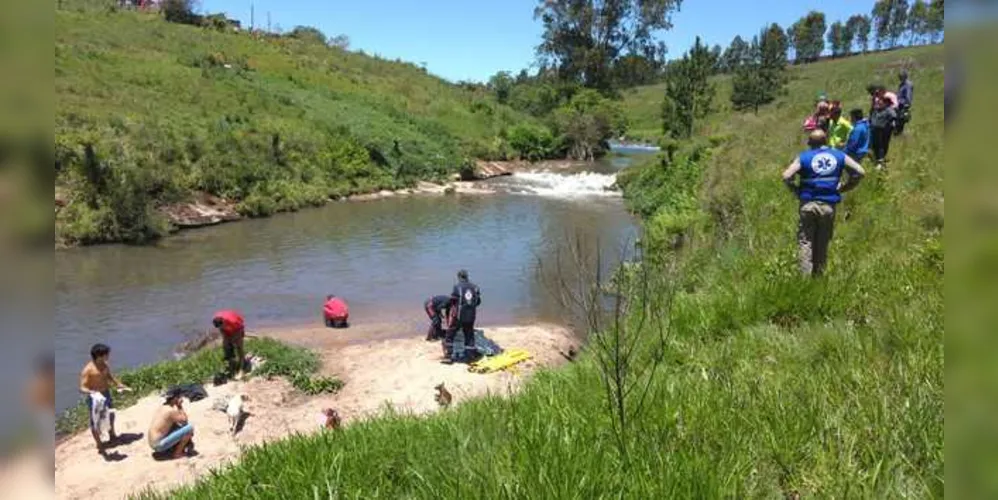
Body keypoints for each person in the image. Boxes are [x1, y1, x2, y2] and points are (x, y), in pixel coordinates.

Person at [782, 130, 866, 277]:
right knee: (822, 241)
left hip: (808, 203)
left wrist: (796, 191)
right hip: (828, 205)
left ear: (810, 143)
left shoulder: (804, 157)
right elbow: (860, 171)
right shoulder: (839, 155)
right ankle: (818, 276)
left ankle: (804, 279)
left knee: (805, 241)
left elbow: (786, 176)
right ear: (825, 141)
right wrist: (846, 187)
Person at [79, 343, 131, 456]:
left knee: (111, 415)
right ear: (99, 356)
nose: (108, 356)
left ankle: (112, 436)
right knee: (95, 422)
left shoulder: (104, 364)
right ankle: (99, 444)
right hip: (95, 398)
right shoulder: (88, 370)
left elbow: (109, 376)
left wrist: (118, 384)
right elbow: (82, 387)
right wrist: (92, 392)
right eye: (106, 354)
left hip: (106, 394)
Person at [443, 269, 482, 364]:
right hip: (471, 316)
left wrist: (446, 308)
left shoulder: (457, 287)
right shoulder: (475, 287)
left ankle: (448, 356)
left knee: (450, 334)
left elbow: (452, 300)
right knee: (469, 335)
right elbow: (478, 302)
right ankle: (469, 356)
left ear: (459, 277)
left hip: (459, 316)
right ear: (467, 277)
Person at [147, 387, 195, 460]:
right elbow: (185, 421)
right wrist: (179, 406)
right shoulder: (170, 411)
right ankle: (177, 453)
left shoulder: (163, 406)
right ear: (176, 398)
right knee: (189, 428)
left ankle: (172, 448)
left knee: (176, 425)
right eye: (179, 396)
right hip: (158, 445)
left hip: (152, 443)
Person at [212, 310, 246, 380]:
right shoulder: (217, 320)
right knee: (226, 346)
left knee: (239, 347)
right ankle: (231, 363)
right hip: (228, 329)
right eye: (220, 327)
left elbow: (241, 328)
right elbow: (222, 330)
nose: (221, 328)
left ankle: (242, 367)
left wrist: (235, 338)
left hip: (238, 329)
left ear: (223, 322)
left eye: (222, 326)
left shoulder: (233, 321)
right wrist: (227, 338)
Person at [869, 95, 897, 170]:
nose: (879, 102)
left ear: (886, 103)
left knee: (881, 146)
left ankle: (880, 161)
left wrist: (887, 125)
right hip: (874, 130)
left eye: (881, 101)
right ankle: (877, 160)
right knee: (874, 145)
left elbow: (894, 117)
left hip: (882, 131)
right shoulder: (877, 109)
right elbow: (871, 116)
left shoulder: (889, 110)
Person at [895, 70, 914, 135]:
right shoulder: (901, 84)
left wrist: (906, 104)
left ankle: (899, 133)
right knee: (898, 120)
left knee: (901, 120)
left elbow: (908, 96)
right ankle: (898, 133)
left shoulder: (908, 85)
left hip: (903, 105)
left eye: (900, 77)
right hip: (899, 104)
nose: (899, 78)